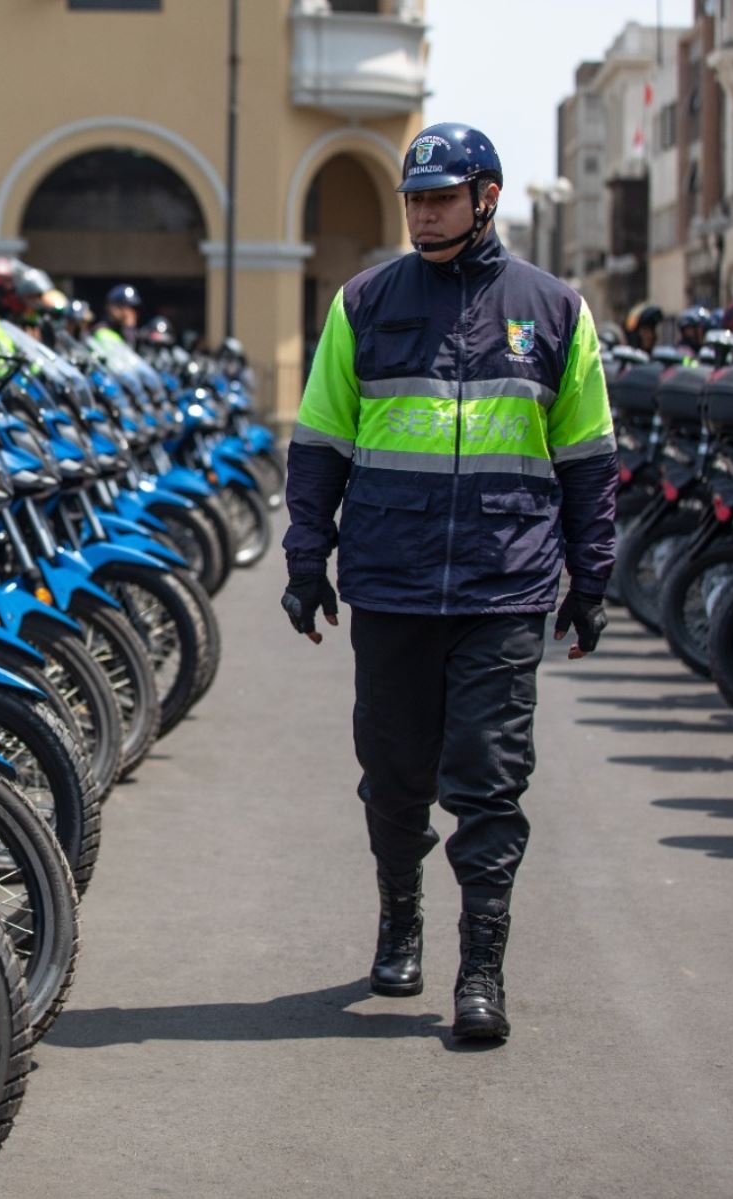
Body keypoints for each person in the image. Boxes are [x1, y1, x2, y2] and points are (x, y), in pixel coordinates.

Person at [281, 122, 617, 1043]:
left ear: (487, 198)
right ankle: (401, 917)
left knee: (489, 783)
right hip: (389, 583)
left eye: (442, 197)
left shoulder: (554, 310)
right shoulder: (364, 303)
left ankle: (481, 969)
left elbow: (587, 458)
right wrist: (306, 560)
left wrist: (593, 580)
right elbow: (319, 445)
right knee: (392, 780)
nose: (425, 213)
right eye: (414, 199)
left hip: (502, 586)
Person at [92, 283, 141, 351]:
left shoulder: (133, 332)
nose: (128, 312)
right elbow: (122, 356)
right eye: (123, 306)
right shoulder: (102, 330)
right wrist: (128, 328)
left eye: (131, 308)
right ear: (110, 306)